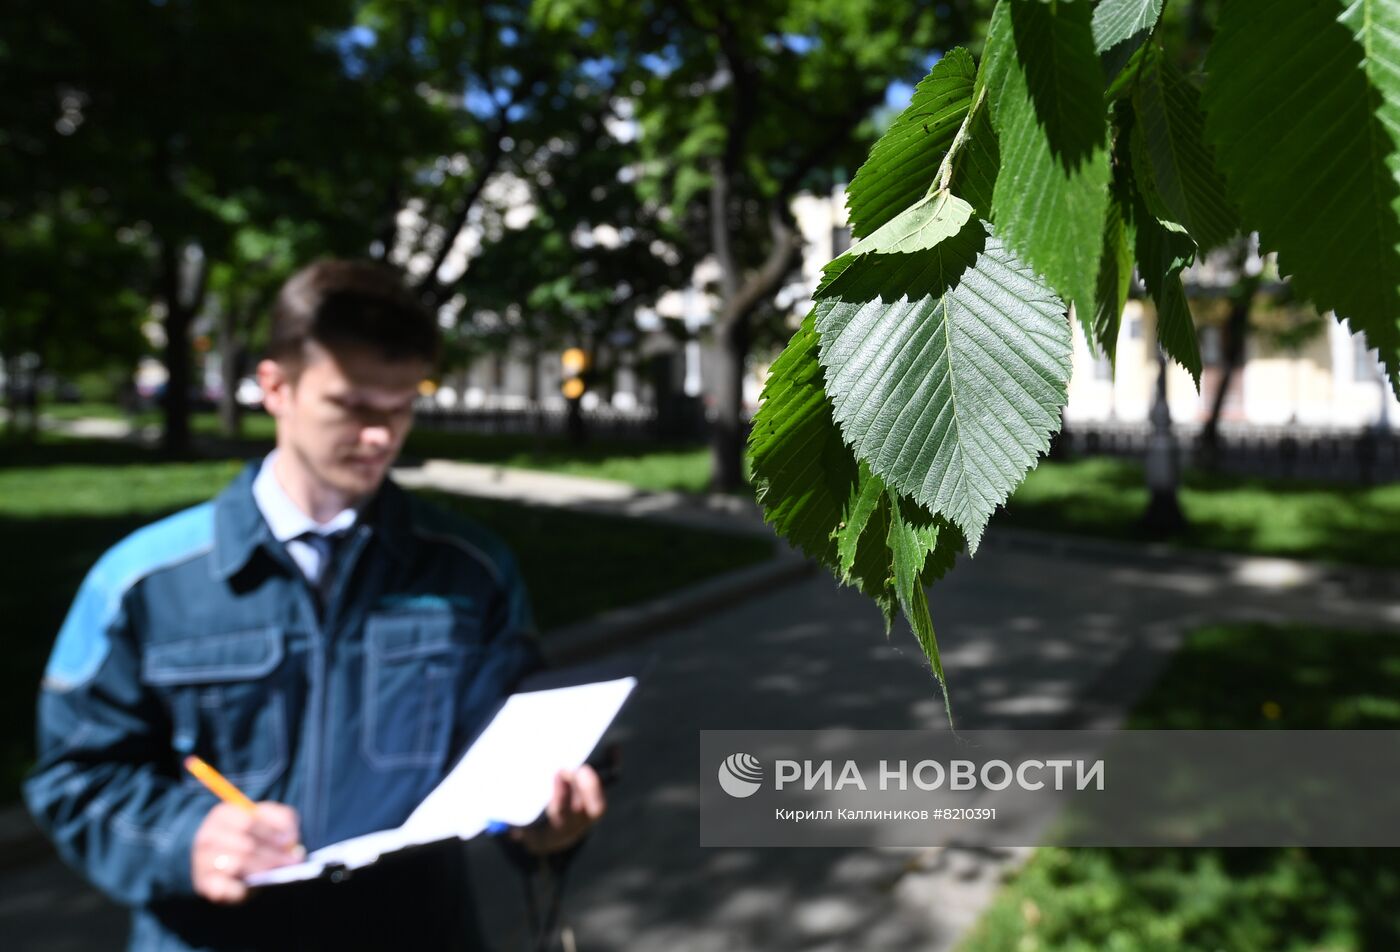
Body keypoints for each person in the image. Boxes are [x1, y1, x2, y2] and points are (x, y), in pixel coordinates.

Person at [24, 260, 606, 951]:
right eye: (354, 407)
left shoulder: (470, 570)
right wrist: (185, 838)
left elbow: (504, 755)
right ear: (276, 386)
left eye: (401, 407)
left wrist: (543, 823)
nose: (382, 437)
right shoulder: (144, 583)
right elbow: (76, 778)